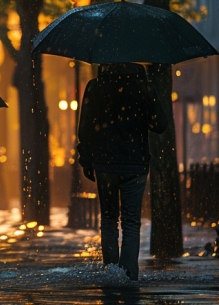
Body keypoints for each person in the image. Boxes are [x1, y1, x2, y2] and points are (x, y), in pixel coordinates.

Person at [77, 63, 168, 281]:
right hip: (135, 164)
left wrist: (87, 159)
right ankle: (128, 274)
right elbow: (160, 124)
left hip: (106, 163)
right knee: (131, 221)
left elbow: (85, 127)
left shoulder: (95, 87)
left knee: (109, 219)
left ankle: (111, 273)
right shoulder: (143, 86)